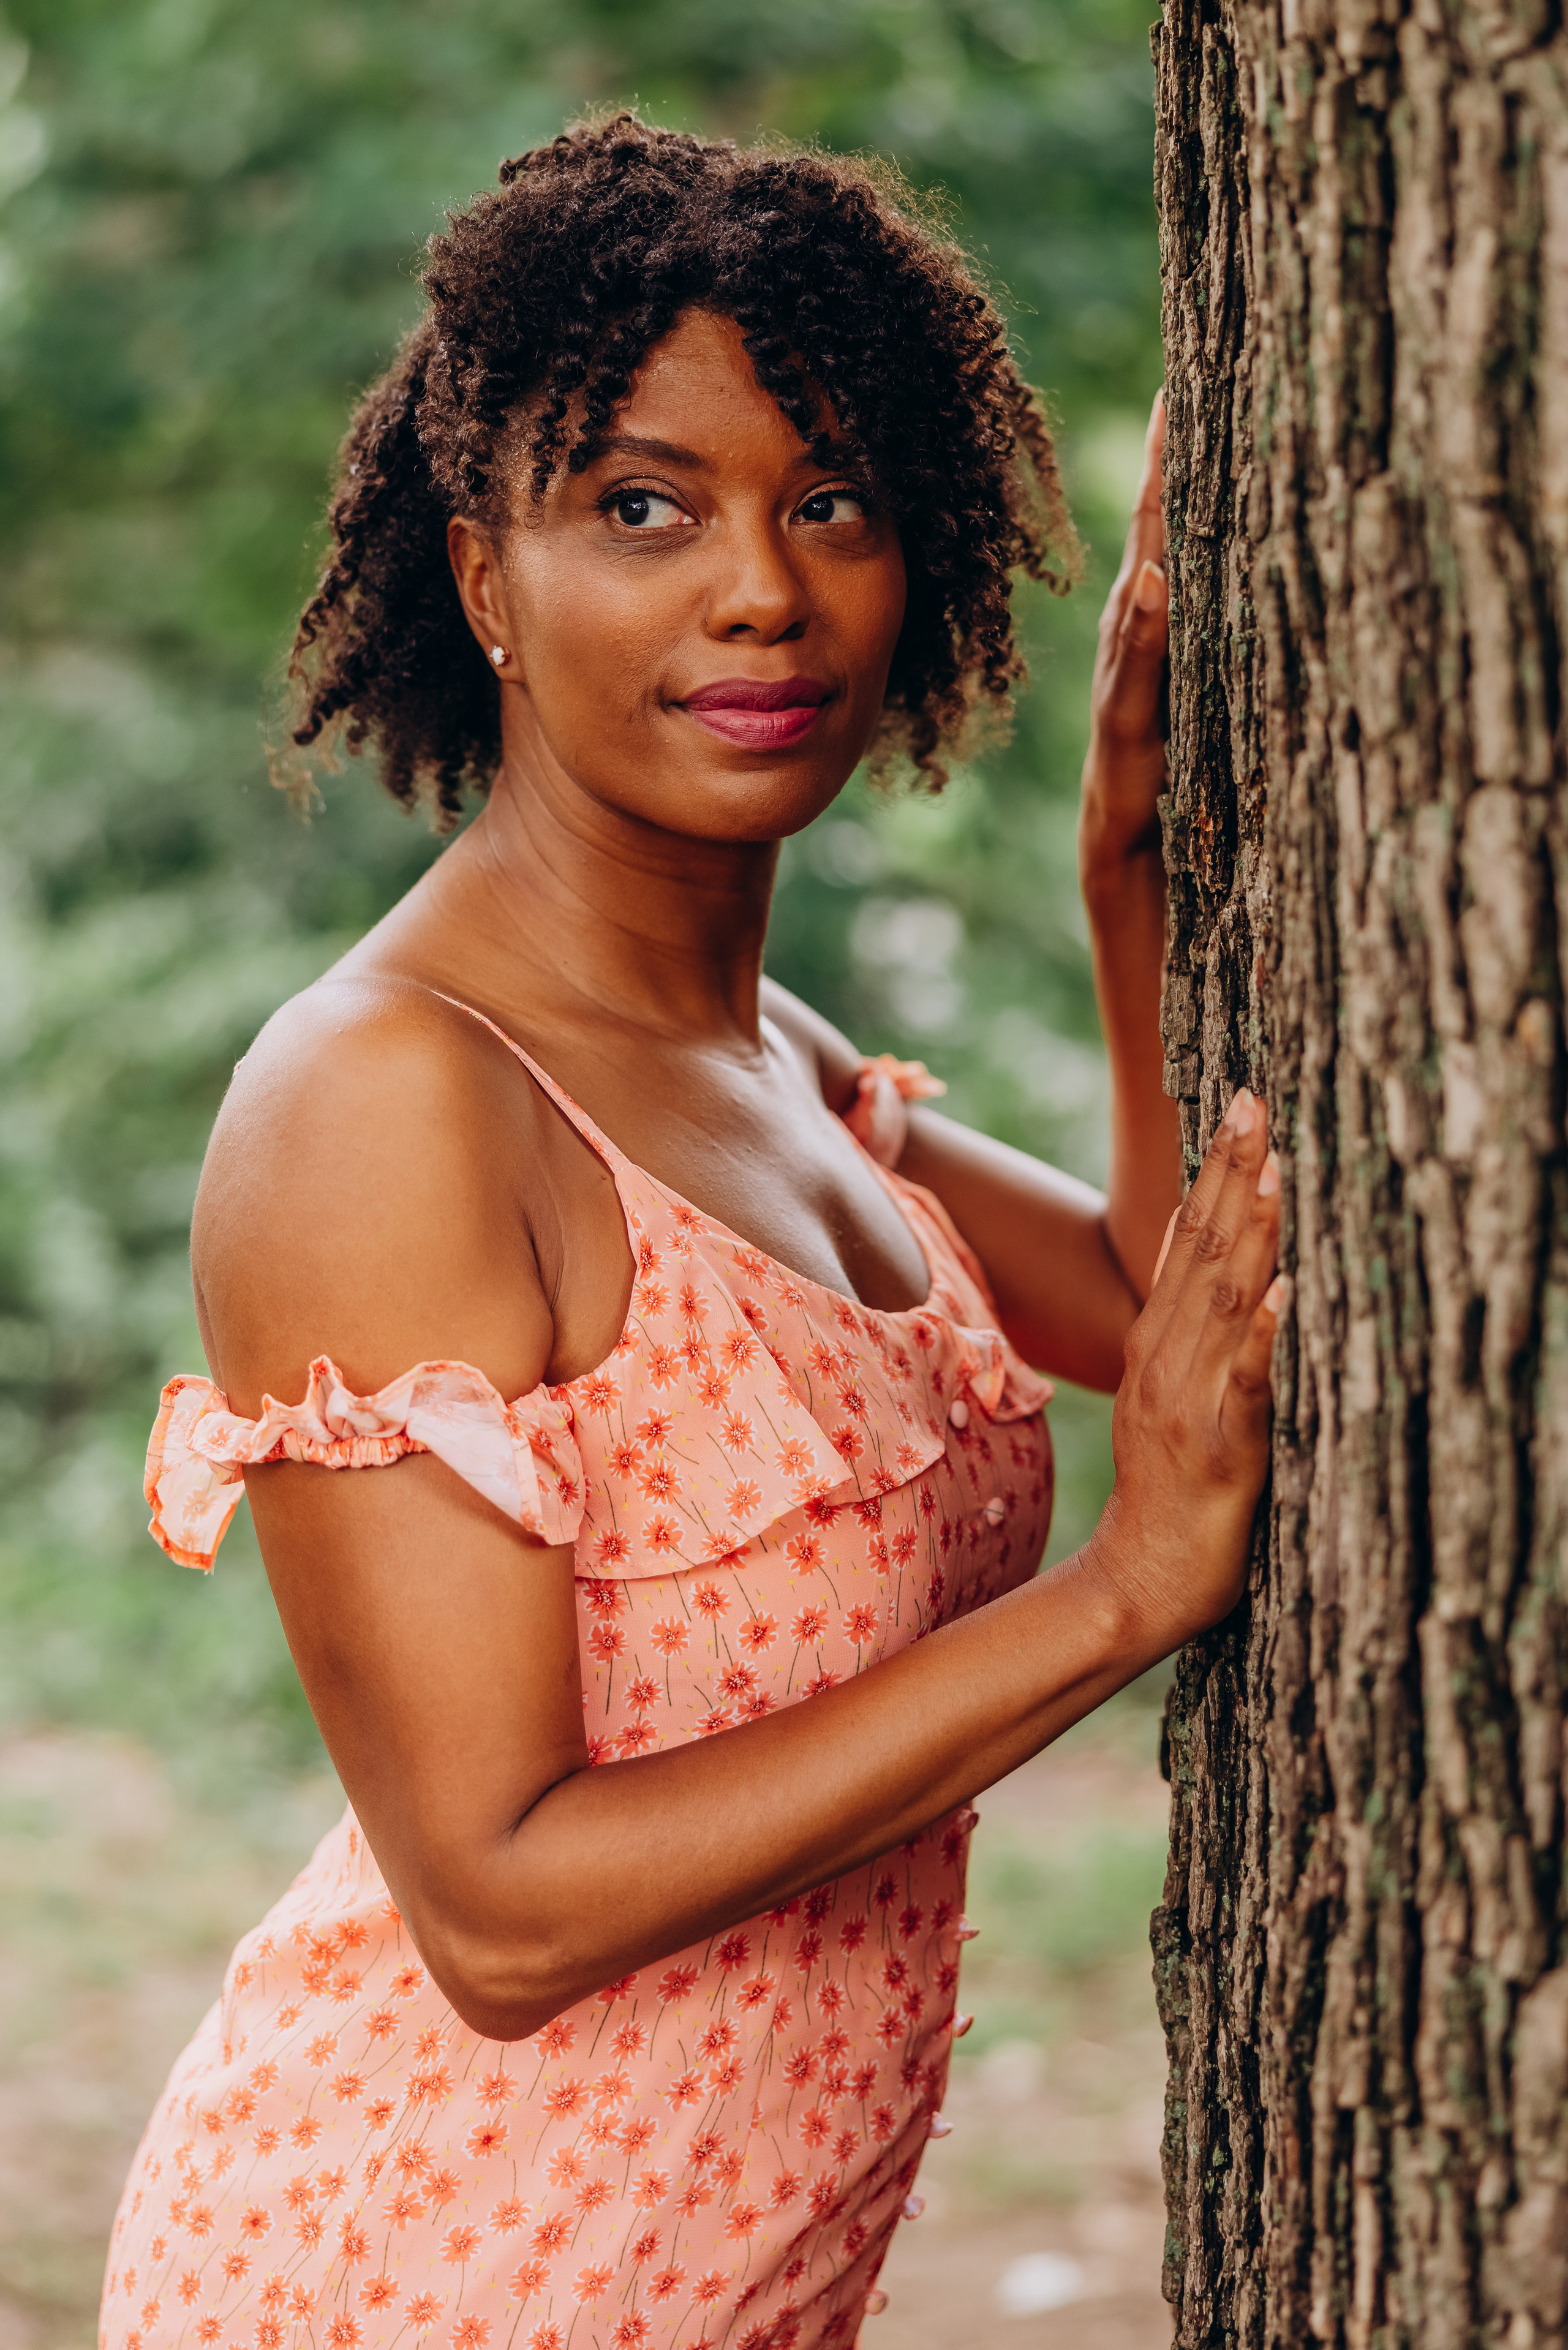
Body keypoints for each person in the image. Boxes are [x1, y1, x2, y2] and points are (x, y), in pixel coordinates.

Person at [104, 115, 1280, 2350]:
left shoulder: (779, 1062)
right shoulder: (388, 1104)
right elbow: (500, 1910)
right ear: (482, 582)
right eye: (641, 508)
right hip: (421, 2281)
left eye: (825, 501)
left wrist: (1136, 888)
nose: (759, 588)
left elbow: (1159, 1318)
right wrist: (1126, 1593)